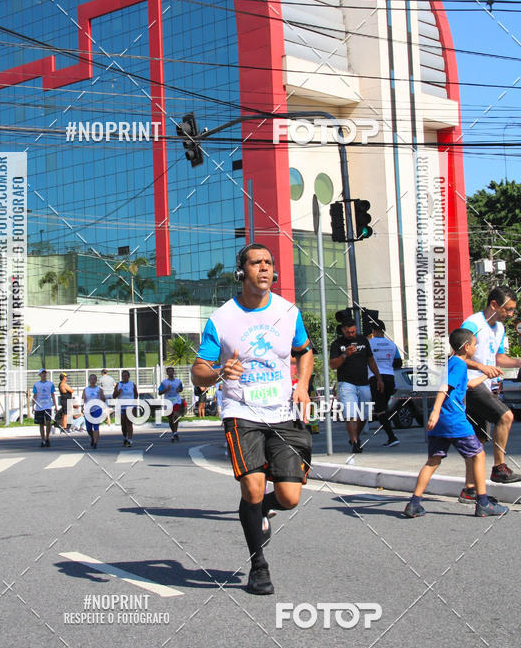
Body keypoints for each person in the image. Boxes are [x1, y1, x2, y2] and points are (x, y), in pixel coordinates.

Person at [191, 243, 313, 596]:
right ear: (242, 271)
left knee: (289, 497)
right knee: (253, 487)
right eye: (256, 262)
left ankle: (260, 511)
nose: (265, 268)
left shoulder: (289, 312)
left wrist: (302, 385)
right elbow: (198, 372)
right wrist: (218, 371)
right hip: (241, 410)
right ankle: (258, 566)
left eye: (269, 263)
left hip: (282, 410)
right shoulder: (222, 318)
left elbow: (304, 352)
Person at [404, 329, 508, 518]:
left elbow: (468, 385)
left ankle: (414, 503)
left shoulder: (452, 363)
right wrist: (434, 412)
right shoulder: (459, 364)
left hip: (442, 423)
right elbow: (445, 388)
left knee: (433, 461)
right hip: (454, 420)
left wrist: (487, 375)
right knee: (479, 454)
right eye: (475, 345)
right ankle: (483, 503)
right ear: (467, 347)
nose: (476, 348)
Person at [460, 286, 521, 486]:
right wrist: (482, 368)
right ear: (494, 304)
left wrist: (518, 361)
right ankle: (499, 468)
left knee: (478, 441)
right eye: (508, 309)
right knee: (506, 416)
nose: (511, 314)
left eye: (513, 310)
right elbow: (458, 357)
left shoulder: (500, 328)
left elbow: (499, 358)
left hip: (488, 385)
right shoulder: (473, 324)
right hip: (472, 384)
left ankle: (470, 488)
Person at [330, 318, 383, 453]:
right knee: (350, 414)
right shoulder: (337, 344)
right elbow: (332, 365)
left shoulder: (363, 341)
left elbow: (370, 360)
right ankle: (354, 442)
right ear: (343, 331)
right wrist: (345, 355)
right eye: (348, 332)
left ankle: (356, 436)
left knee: (364, 414)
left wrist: (378, 378)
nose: (351, 334)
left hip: (364, 382)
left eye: (353, 331)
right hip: (346, 383)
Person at [367, 320, 401, 447]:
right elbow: (398, 363)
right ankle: (391, 436)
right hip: (390, 378)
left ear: (373, 331)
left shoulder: (369, 343)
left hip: (375, 378)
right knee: (384, 408)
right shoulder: (392, 345)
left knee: (379, 409)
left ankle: (392, 437)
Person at [32, 368, 57, 448]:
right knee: (41, 424)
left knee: (48, 422)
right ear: (40, 375)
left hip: (48, 406)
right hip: (39, 407)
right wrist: (33, 406)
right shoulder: (36, 385)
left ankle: (47, 438)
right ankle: (43, 440)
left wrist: (55, 406)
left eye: (45, 373)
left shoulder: (50, 384)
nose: (44, 375)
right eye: (42, 373)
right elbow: (35, 396)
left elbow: (53, 395)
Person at [113, 370, 138, 447]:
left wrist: (134, 405)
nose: (125, 377)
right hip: (121, 407)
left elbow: (136, 395)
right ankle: (125, 437)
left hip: (130, 406)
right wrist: (118, 392)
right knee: (123, 425)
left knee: (129, 424)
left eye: (126, 375)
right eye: (123, 376)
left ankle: (130, 440)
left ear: (129, 376)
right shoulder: (118, 384)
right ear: (122, 377)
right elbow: (114, 396)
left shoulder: (132, 384)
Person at [158, 366, 184, 441]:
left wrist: (179, 389)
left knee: (175, 416)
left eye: (172, 371)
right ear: (167, 373)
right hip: (168, 401)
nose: (170, 373)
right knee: (170, 418)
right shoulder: (164, 382)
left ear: (173, 372)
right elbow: (159, 392)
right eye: (169, 371)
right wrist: (166, 389)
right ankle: (174, 433)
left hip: (176, 400)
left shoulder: (178, 381)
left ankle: (175, 432)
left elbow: (181, 388)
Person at [83, 373, 106, 449]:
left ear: (96, 380)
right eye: (91, 379)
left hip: (97, 409)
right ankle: (92, 437)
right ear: (89, 380)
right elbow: (83, 400)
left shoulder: (99, 389)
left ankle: (95, 443)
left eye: (94, 379)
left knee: (96, 426)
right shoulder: (86, 390)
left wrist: (101, 395)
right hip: (88, 410)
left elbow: (103, 400)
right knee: (88, 428)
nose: (92, 381)